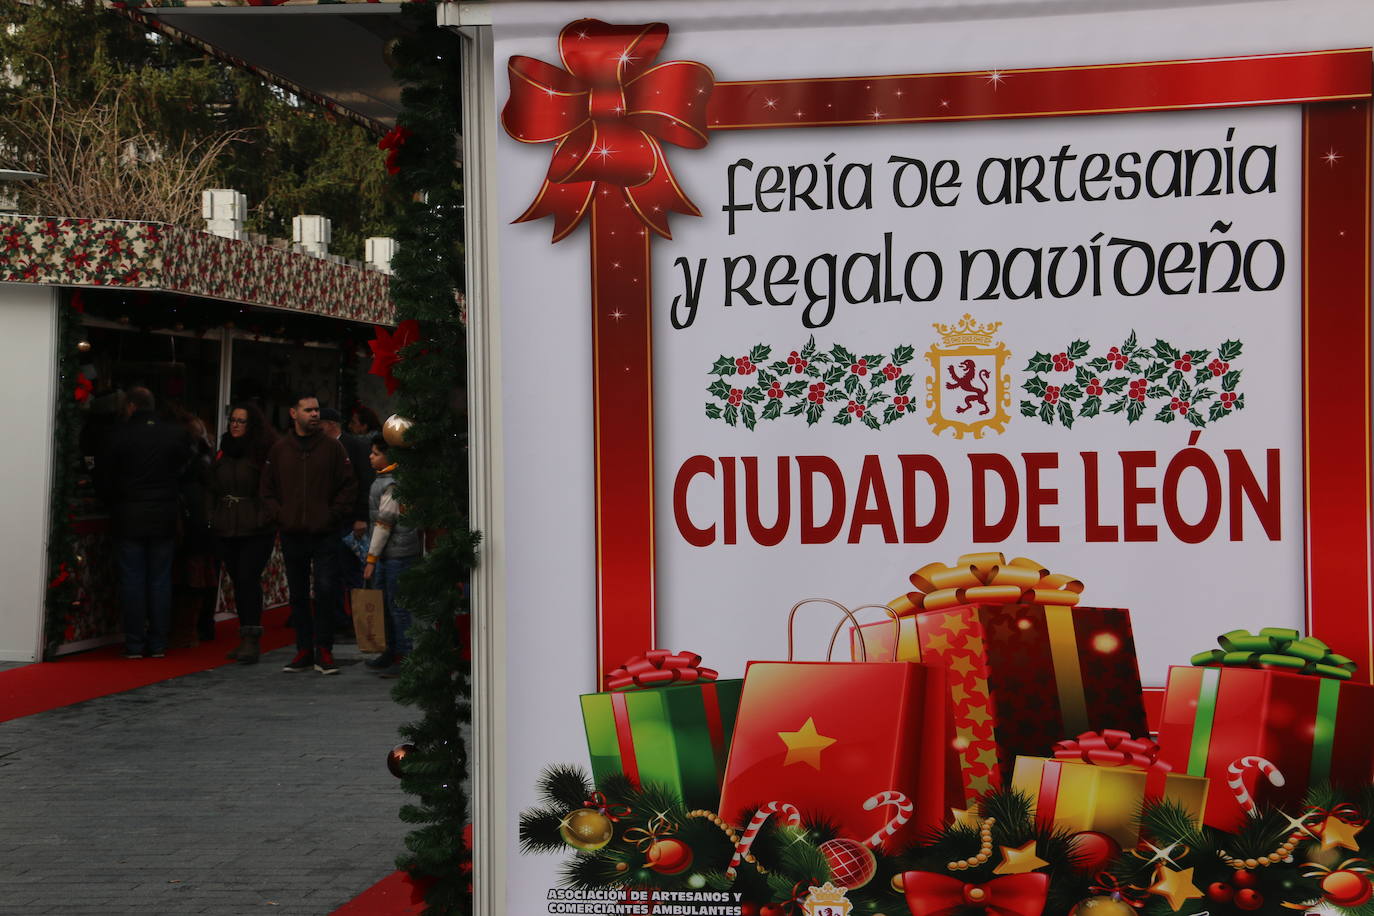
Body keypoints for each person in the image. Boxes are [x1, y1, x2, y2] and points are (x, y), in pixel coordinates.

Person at [260, 394, 357, 675]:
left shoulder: (332, 449)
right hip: (292, 531)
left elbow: (348, 485)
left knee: (327, 590)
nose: (315, 414)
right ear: (294, 413)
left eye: (316, 410)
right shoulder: (280, 450)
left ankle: (324, 649)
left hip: (324, 531)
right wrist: (280, 514)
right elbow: (267, 490)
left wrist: (333, 514)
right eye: (309, 410)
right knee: (298, 594)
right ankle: (303, 648)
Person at [95, 386, 192, 658]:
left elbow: (103, 478)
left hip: (128, 514)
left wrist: (112, 500)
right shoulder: (174, 434)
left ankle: (135, 643)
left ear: (130, 407)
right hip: (163, 515)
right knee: (160, 580)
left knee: (132, 580)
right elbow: (185, 469)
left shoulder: (116, 435)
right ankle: (159, 642)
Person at [209, 402, 277, 664]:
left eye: (241, 421)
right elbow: (211, 488)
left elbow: (273, 488)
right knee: (238, 579)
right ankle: (245, 635)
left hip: (256, 526)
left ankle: (251, 637)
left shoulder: (262, 453)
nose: (235, 425)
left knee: (248, 577)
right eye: (233, 420)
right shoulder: (223, 452)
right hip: (227, 525)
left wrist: (265, 515)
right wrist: (212, 517)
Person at [362, 435, 420, 677]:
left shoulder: (392, 484)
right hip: (392, 552)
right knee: (387, 605)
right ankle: (391, 650)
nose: (371, 457)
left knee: (397, 607)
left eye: (375, 453)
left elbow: (384, 523)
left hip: (397, 553)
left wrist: (371, 558)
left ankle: (404, 655)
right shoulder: (384, 481)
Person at [320, 406, 373, 636]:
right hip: (331, 519)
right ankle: (339, 620)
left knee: (353, 573)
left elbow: (365, 482)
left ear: (331, 424)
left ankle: (360, 624)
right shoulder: (321, 447)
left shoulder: (355, 446)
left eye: (320, 423)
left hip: (351, 520)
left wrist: (361, 517)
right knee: (333, 573)